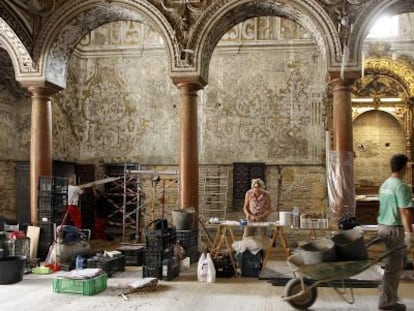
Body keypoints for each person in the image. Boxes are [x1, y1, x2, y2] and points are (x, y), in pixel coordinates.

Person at [377, 154, 414, 311]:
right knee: (394, 268)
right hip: (394, 230)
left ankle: (386, 294)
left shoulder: (385, 184)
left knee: (390, 266)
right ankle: (387, 302)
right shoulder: (401, 186)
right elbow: (405, 211)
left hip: (383, 227)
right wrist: (410, 233)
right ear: (404, 166)